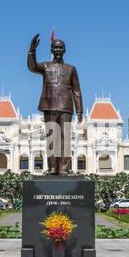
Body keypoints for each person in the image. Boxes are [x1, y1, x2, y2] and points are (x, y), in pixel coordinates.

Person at [27, 34, 83, 176]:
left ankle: (64, 169)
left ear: (64, 50)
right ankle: (52, 168)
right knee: (52, 138)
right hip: (49, 105)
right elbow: (32, 67)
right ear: (51, 50)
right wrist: (31, 51)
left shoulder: (71, 69)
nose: (58, 49)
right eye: (55, 47)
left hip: (66, 107)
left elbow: (76, 90)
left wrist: (80, 110)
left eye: (60, 47)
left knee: (65, 139)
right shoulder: (45, 66)